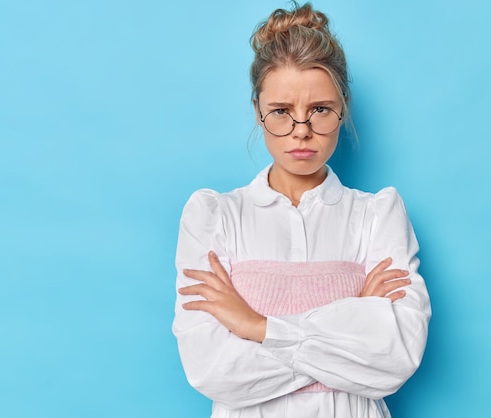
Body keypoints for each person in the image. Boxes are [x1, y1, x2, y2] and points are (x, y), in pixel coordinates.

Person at [172, 3, 431, 417]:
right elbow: (212, 371)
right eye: (281, 112)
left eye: (320, 110)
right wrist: (353, 321)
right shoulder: (215, 216)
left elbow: (395, 361)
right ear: (258, 110)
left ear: (342, 107)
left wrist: (257, 327)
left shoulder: (378, 215)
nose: (301, 130)